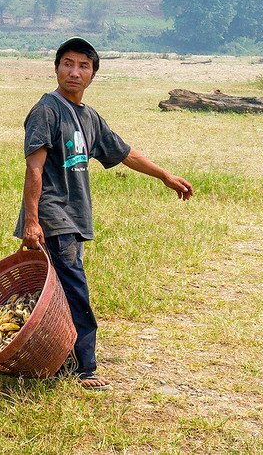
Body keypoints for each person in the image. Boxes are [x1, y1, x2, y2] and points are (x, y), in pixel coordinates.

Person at [15, 37, 193, 391]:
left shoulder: (88, 117)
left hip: (75, 218)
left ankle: (53, 359)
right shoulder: (46, 110)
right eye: (68, 63)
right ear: (56, 68)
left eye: (83, 66)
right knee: (75, 291)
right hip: (54, 216)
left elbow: (125, 153)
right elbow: (34, 168)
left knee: (59, 294)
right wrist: (33, 222)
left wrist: (165, 176)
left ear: (93, 74)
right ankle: (84, 367)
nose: (74, 72)